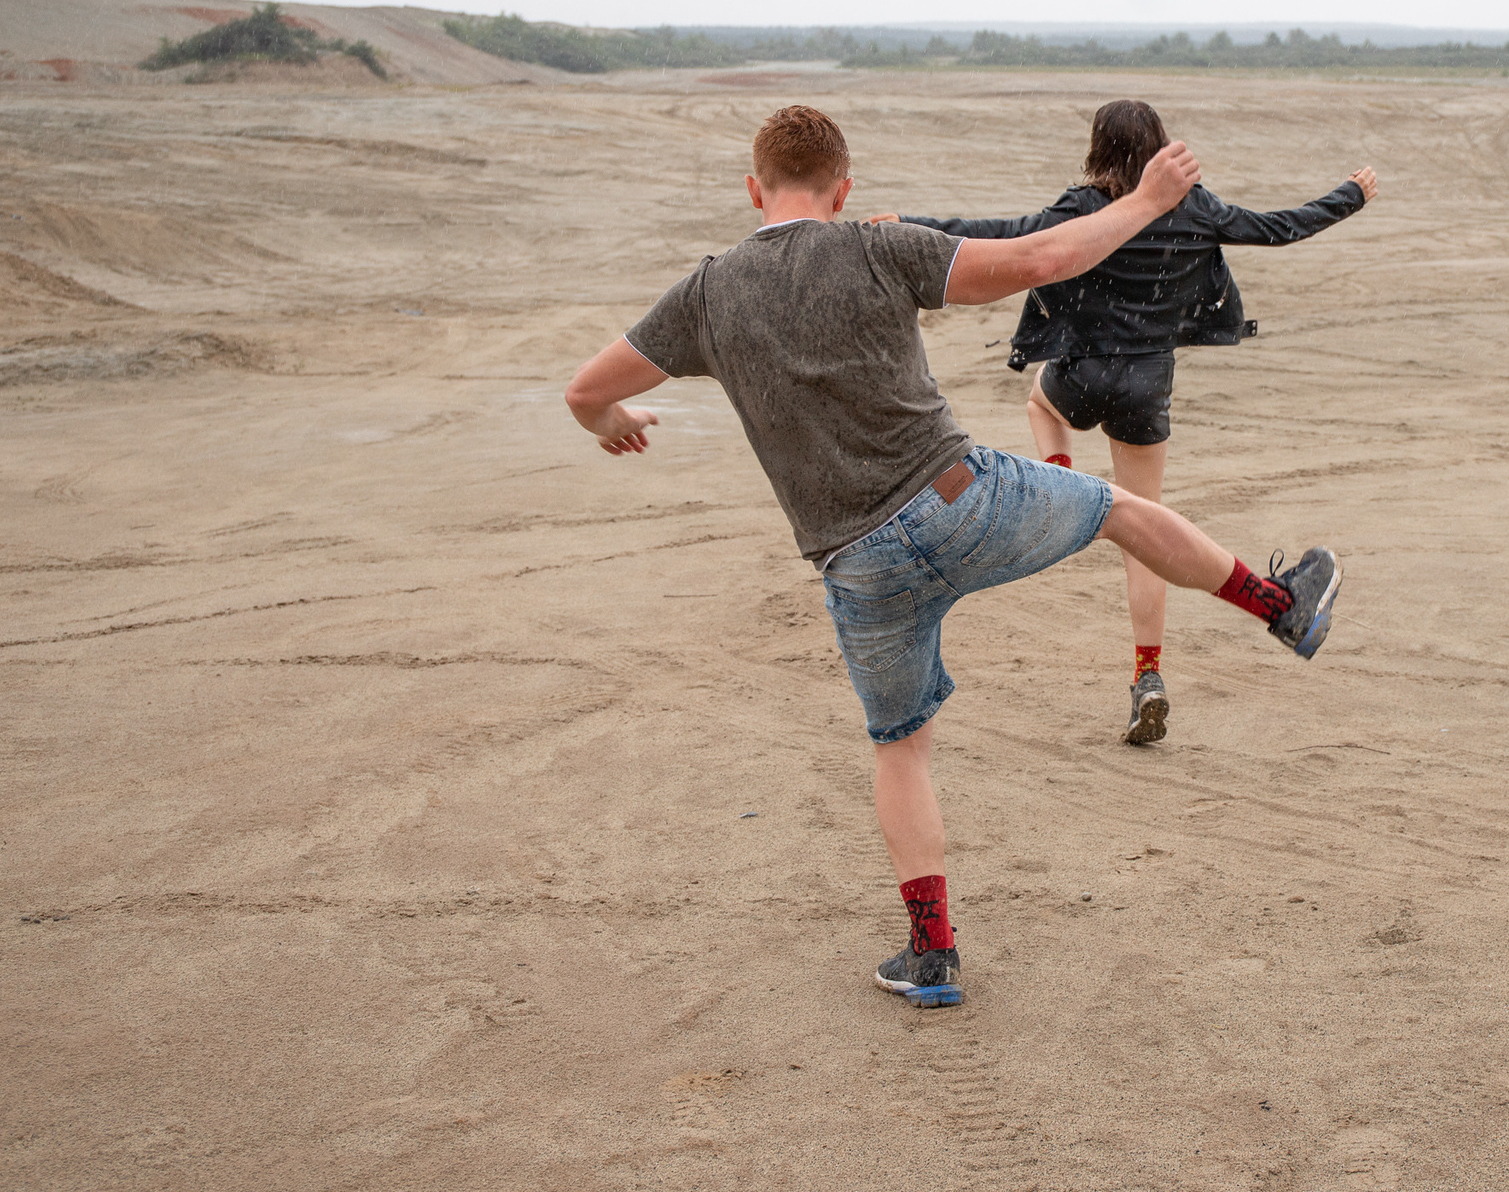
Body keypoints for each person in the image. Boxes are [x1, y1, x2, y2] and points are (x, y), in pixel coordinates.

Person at [561, 106, 1343, 1009]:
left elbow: (584, 392)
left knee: (901, 751)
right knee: (1125, 512)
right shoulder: (875, 247)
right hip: (962, 503)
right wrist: (1149, 201)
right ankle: (1280, 606)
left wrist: (614, 421)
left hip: (857, 564)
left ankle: (932, 956)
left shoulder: (706, 294)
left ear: (753, 190)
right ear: (843, 190)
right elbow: (1042, 258)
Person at [904, 99, 1375, 746]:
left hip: (1081, 377)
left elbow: (998, 232)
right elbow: (1280, 227)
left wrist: (907, 225)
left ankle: (1061, 480)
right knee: (1145, 538)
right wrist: (1351, 195)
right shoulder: (1196, 207)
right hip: (1145, 387)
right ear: (1159, 146)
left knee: (1040, 402)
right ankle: (1147, 674)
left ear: (1098, 148)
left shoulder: (1082, 209)